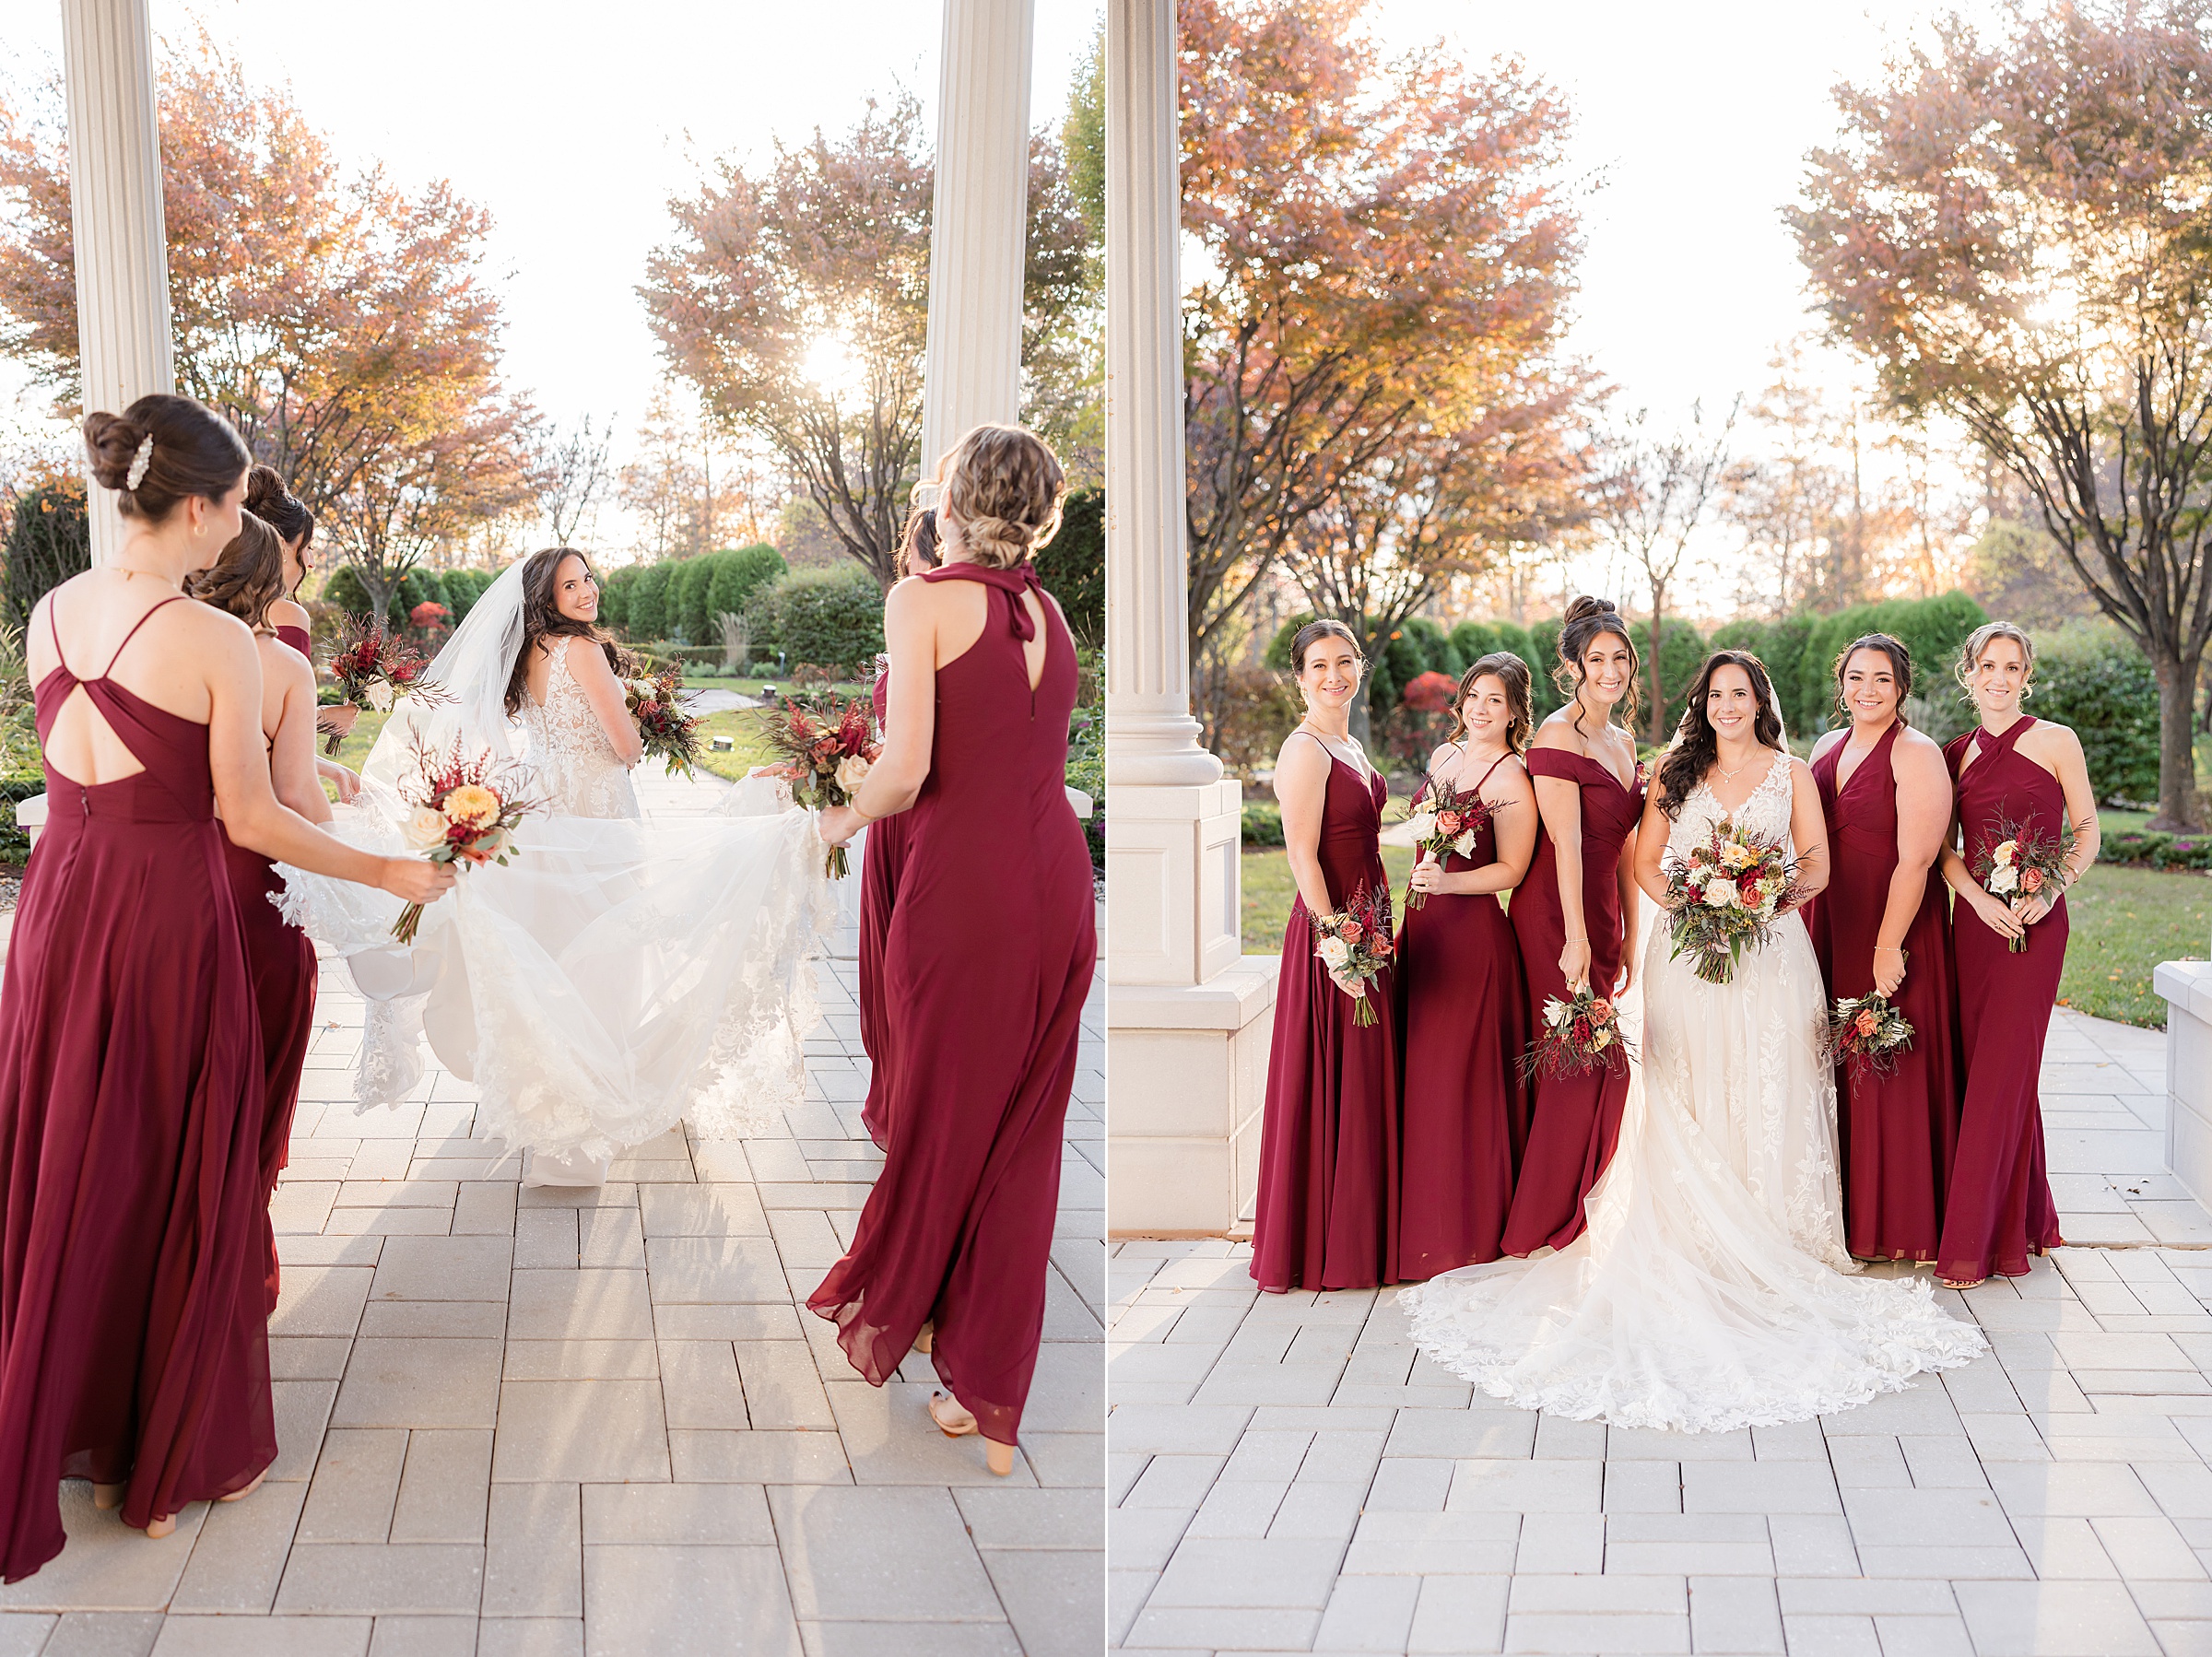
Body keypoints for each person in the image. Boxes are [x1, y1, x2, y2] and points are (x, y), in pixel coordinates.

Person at [0, 394, 450, 1574]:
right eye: (237, 503)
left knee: (78, 1152)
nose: (237, 526)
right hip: (166, 913)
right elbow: (252, 814)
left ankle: (77, 1415)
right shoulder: (211, 641)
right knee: (176, 1157)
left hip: (62, 905)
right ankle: (168, 1453)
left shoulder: (50, 612)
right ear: (194, 505)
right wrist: (391, 867)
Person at [1402, 651, 1985, 1432]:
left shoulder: (1794, 773)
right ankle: (1693, 1241)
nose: (1729, 706)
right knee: (1692, 1090)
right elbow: (1643, 863)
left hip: (1773, 955)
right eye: (1717, 694)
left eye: (1741, 693)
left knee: (1768, 1085)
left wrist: (1762, 897)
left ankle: (1775, 1235)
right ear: (1702, 704)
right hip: (1686, 956)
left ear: (1760, 702)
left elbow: (1814, 863)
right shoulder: (1674, 771)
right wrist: (1698, 905)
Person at [273, 549, 833, 1177]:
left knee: (558, 948)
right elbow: (622, 749)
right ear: (548, 594)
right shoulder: (585, 652)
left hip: (542, 810)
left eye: (588, 577)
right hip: (595, 810)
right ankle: (591, 1094)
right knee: (610, 949)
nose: (587, 589)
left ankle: (544, 1089)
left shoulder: (529, 651)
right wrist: (642, 720)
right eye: (571, 584)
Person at [808, 424, 1096, 1476]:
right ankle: (975, 1368)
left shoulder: (921, 600)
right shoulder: (1050, 613)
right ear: (1047, 509)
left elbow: (906, 766)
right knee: (1023, 1128)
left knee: (940, 1111)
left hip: (964, 888)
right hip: (1057, 887)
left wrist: (833, 824)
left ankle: (926, 1323)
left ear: (958, 499)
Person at [187, 511, 330, 1313]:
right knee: (259, 1081)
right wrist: (352, 868)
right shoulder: (277, 664)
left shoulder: (162, 649)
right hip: (255, 889)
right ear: (272, 579)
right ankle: (238, 1253)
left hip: (174, 884)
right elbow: (297, 793)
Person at [1935, 622, 2099, 1288]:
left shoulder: (2057, 741)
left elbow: (2085, 833)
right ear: (1968, 674)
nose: (1998, 678)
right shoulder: (1953, 755)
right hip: (1976, 927)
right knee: (1989, 1073)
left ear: (2026, 675)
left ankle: (1974, 1243)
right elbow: (1940, 850)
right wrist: (1975, 900)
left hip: (2037, 926)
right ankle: (2028, 1218)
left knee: (2005, 1070)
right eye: (1987, 666)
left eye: (2012, 666)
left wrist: (2052, 886)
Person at [1249, 620, 1401, 1292]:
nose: (1333, 674)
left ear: (1360, 667)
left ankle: (1363, 1236)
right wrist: (1336, 940)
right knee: (1333, 1082)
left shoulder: (1351, 745)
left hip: (1372, 928)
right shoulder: (1305, 750)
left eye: (1345, 661)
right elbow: (1303, 855)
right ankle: (1319, 1247)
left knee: (1364, 1082)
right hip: (1333, 935)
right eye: (1319, 665)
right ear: (1299, 677)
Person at [1498, 597, 1646, 1255]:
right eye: (1596, 659)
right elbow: (1566, 843)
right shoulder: (1556, 736)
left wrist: (1630, 931)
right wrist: (1577, 941)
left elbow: (1624, 850)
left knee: (1589, 1059)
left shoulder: (1624, 739)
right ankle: (1541, 1220)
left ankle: (1567, 1210)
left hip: (1602, 915)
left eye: (1619, 657)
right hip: (1556, 914)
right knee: (1580, 1062)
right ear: (1573, 666)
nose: (1609, 670)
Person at [1807, 635, 1960, 1263]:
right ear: (1841, 684)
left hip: (1891, 920)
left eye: (1881, 679)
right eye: (1855, 677)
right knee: (1832, 1060)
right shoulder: (1824, 747)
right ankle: (1839, 1215)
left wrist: (1888, 944)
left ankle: (1897, 1223)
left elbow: (1919, 857)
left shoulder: (1917, 752)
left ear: (1902, 687)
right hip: (1830, 917)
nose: (1866, 689)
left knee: (1889, 1062)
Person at [1394, 652, 1537, 1277]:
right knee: (1421, 1073)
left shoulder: (1511, 779)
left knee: (1458, 1080)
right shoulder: (1443, 757)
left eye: (1495, 701)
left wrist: (1449, 887)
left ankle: (1464, 1228)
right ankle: (1418, 1217)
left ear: (1513, 713)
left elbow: (1513, 870)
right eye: (1474, 696)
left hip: (1472, 940)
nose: (1480, 709)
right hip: (1422, 927)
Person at [858, 499, 941, 1148]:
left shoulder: (928, 608)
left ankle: (917, 1103)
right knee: (885, 961)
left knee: (909, 965)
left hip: (921, 812)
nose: (910, 559)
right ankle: (894, 1094)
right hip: (891, 807)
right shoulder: (906, 609)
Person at [243, 464, 359, 802]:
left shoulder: (210, 605)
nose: (310, 561)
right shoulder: (286, 614)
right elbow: (278, 734)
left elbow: (252, 730)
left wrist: (332, 768)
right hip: (266, 802)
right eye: (307, 547)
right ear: (281, 546)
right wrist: (326, 717)